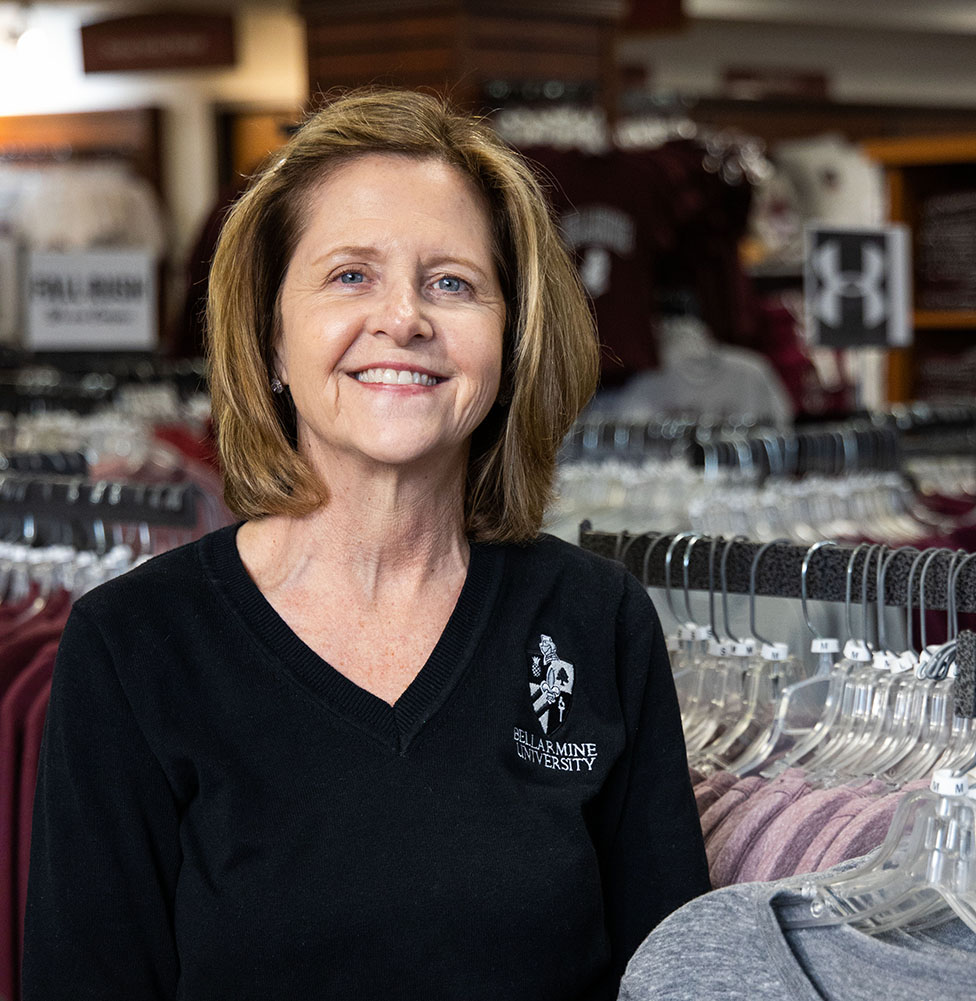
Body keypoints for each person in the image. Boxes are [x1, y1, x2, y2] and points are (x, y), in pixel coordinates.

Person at [23, 89, 710, 1000]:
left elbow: (673, 976)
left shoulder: (597, 619)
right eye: (351, 275)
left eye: (452, 282)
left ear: (510, 339)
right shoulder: (133, 645)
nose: (405, 319)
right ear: (271, 335)